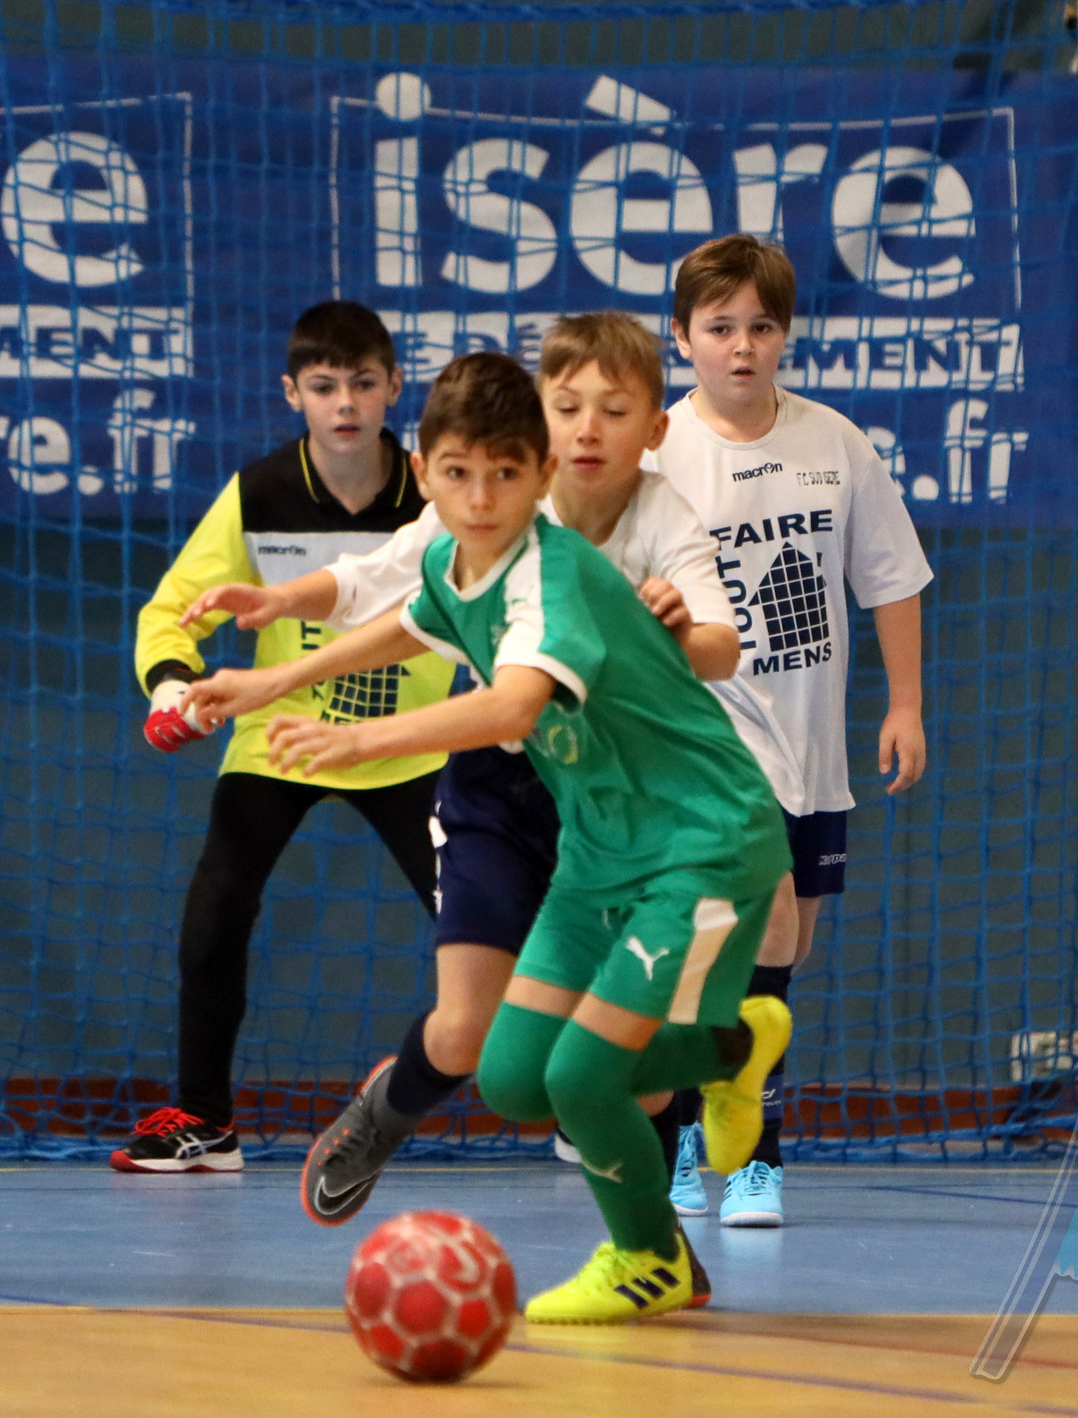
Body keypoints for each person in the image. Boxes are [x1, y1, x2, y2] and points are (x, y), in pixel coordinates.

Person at [184, 314, 792, 1247]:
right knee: (480, 1044)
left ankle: (654, 1241)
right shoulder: (472, 526)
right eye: (570, 407)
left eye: (613, 410)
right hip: (509, 791)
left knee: (609, 1073)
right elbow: (399, 600)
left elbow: (673, 656)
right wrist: (271, 667)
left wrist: (360, 739)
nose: (589, 429)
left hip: (633, 802)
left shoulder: (601, 547)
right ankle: (389, 1114)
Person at [114, 302, 455, 1173]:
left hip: (409, 742)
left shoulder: (439, 494)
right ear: (292, 393)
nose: (346, 403)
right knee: (214, 910)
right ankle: (204, 1121)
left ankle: (570, 1100)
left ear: (395, 387)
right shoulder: (258, 493)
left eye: (364, 384)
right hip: (282, 738)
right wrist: (173, 684)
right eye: (324, 386)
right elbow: (172, 610)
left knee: (490, 919)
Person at [655, 235, 931, 1227]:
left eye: (760, 327)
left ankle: (691, 1114)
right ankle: (747, 1156)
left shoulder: (834, 443)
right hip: (701, 739)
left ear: (784, 336)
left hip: (808, 743)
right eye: (719, 327)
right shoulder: (655, 449)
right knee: (752, 924)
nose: (741, 346)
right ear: (681, 337)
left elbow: (889, 578)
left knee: (780, 946)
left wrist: (904, 704)